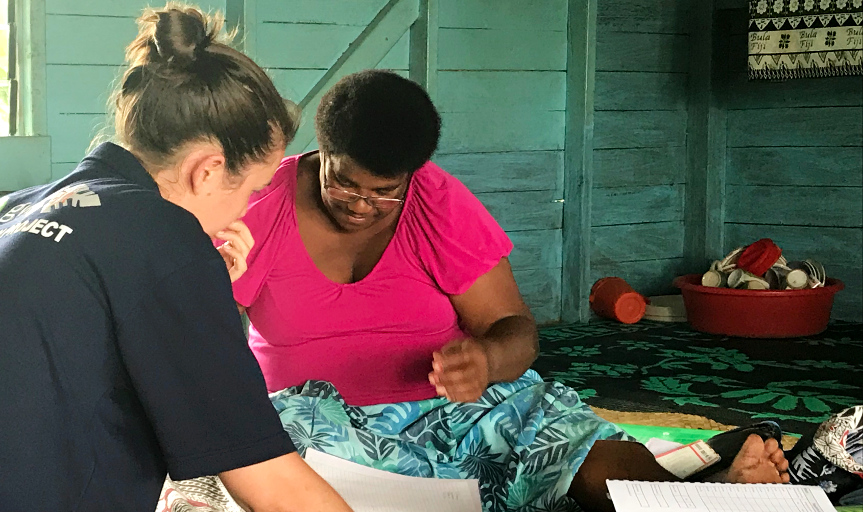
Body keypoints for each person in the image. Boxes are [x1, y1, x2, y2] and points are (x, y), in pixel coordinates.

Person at [0, 5, 352, 512]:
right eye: (252, 190)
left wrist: (191, 294)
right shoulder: (167, 238)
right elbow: (266, 477)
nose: (244, 212)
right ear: (208, 170)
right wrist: (186, 275)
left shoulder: (9, 211)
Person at [224, 70, 790, 512]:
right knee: (264, 458)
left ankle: (701, 493)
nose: (361, 204)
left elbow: (516, 331)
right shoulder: (261, 205)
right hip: (321, 426)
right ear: (320, 152)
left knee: (560, 438)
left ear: (411, 175)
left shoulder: (437, 203)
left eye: (383, 191)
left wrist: (489, 358)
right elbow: (203, 338)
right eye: (344, 182)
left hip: (454, 416)